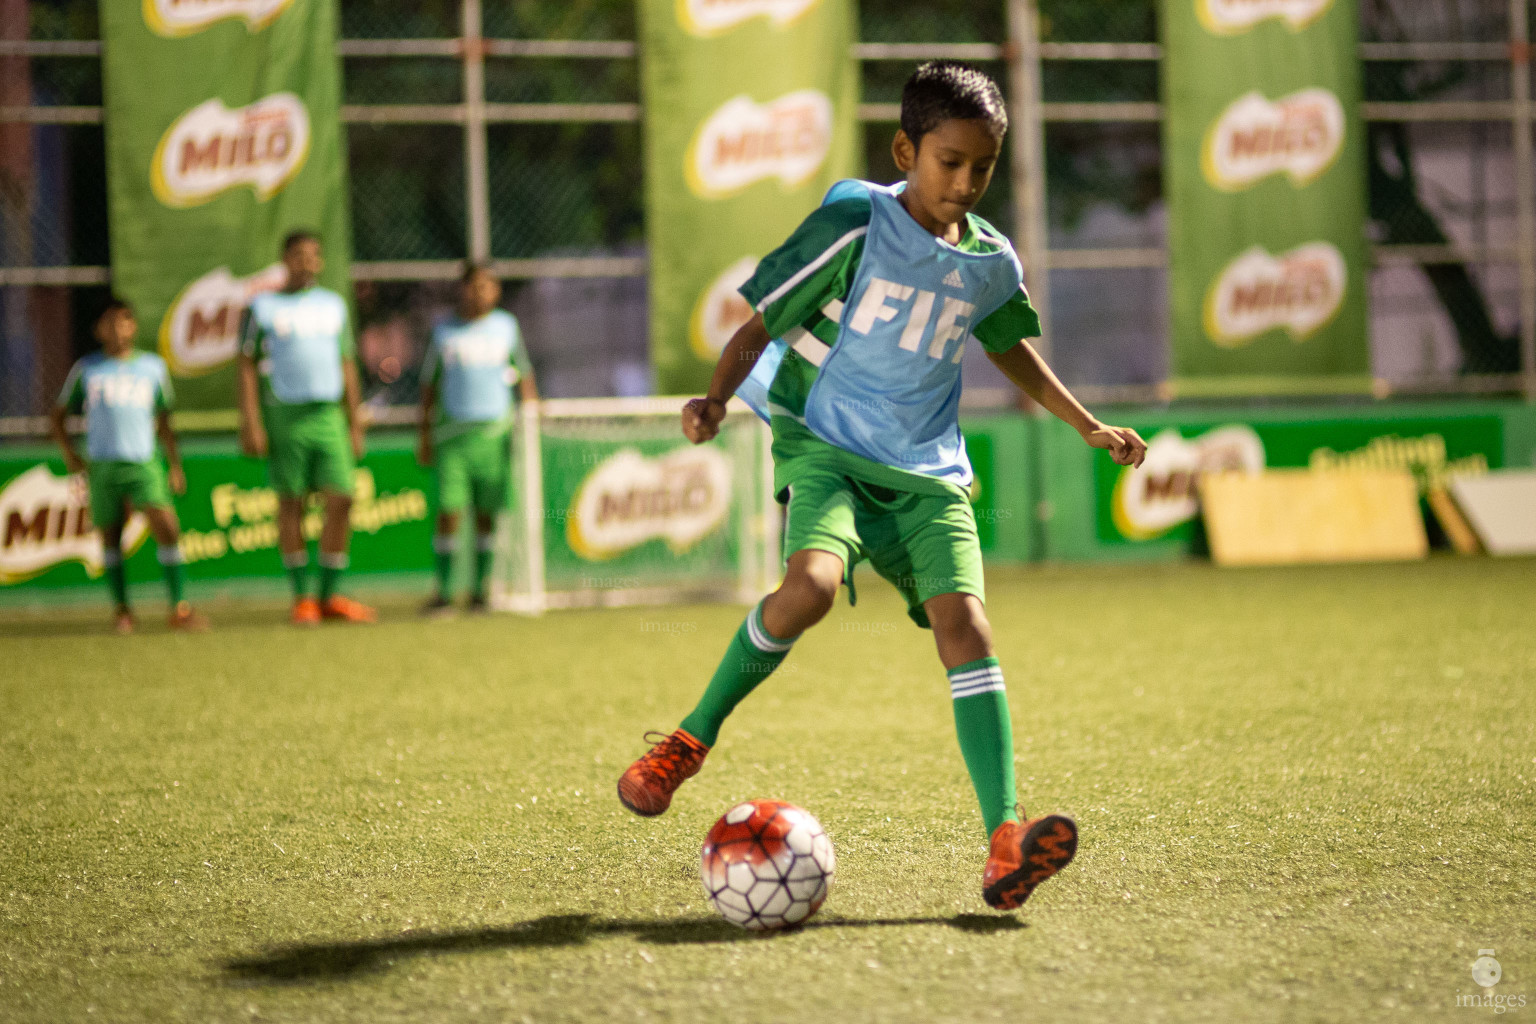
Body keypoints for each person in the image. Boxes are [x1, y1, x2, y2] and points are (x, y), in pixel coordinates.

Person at [617, 62, 1148, 911]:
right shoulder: (856, 220)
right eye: (949, 161)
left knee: (967, 625)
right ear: (906, 149)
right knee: (813, 588)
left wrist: (1085, 423)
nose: (966, 182)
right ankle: (687, 740)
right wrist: (715, 399)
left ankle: (1005, 841)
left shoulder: (989, 260)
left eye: (983, 166)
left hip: (929, 468)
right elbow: (764, 321)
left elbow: (1006, 342)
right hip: (824, 443)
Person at [236, 230, 376, 626]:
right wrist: (251, 421)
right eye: (298, 255)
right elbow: (245, 364)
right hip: (285, 415)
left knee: (343, 498)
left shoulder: (333, 306)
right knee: (291, 502)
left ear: (322, 261)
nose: (306, 261)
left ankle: (329, 595)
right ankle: (303, 598)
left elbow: (347, 361)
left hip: (328, 415)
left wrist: (356, 420)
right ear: (284, 258)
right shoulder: (262, 307)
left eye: (313, 255)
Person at [50, 298, 208, 634]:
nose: (118, 328)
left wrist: (175, 464)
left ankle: (178, 607)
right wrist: (71, 455)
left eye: (124, 320)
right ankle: (122, 610)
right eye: (109, 322)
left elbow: (165, 420)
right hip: (103, 464)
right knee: (110, 535)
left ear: (133, 326)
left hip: (144, 461)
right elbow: (59, 416)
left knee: (166, 523)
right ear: (98, 330)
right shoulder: (87, 370)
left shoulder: (152, 367)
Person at [417, 263, 538, 614]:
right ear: (462, 289)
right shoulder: (444, 331)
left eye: (488, 285)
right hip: (454, 437)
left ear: (497, 290)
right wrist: (423, 435)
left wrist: (530, 415)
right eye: (473, 286)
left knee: (487, 514)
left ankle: (480, 591)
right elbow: (428, 385)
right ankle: (442, 591)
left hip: (495, 435)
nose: (480, 292)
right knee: (449, 511)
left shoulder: (506, 327)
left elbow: (524, 375)